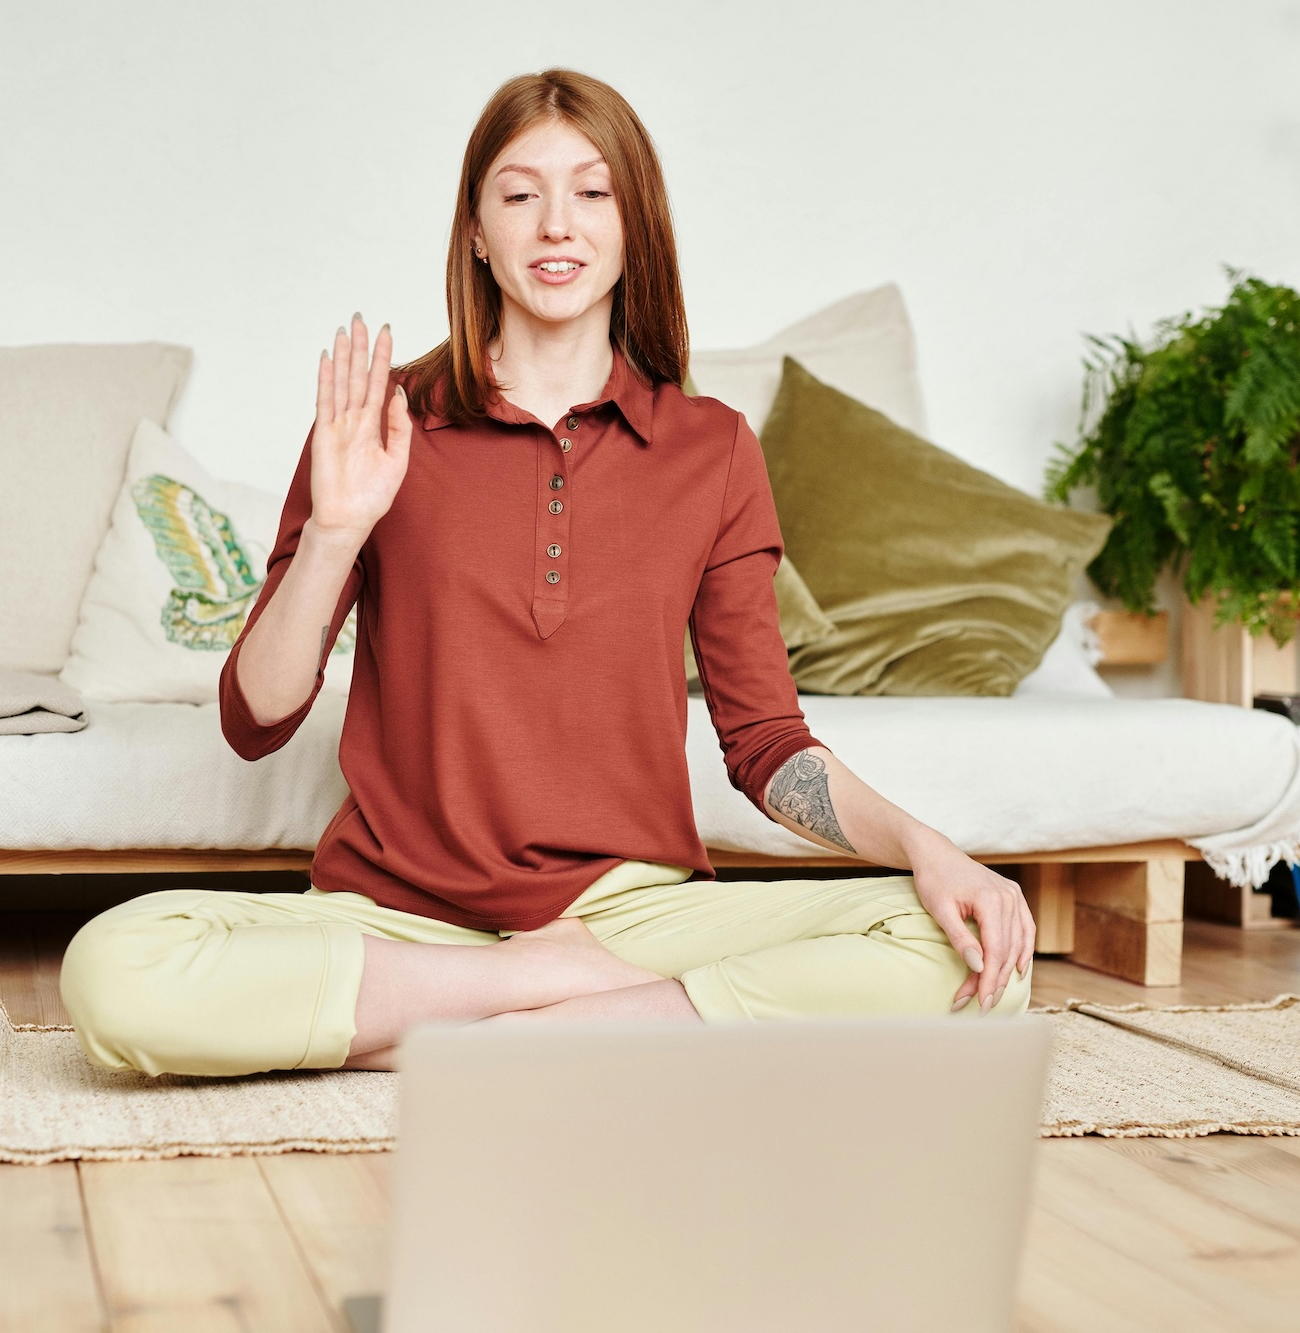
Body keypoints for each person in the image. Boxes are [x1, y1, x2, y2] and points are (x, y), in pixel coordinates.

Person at [59, 68, 1033, 1077]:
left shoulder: (712, 449)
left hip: (631, 913)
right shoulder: (381, 424)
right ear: (476, 231)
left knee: (975, 952)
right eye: (519, 195)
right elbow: (252, 719)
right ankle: (561, 1006)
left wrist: (926, 846)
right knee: (118, 967)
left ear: (632, 226)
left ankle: (475, 1037)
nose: (555, 225)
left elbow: (765, 745)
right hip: (398, 920)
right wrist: (338, 530)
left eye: (592, 193)